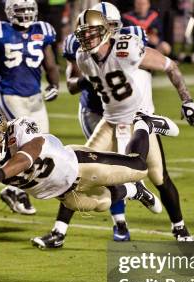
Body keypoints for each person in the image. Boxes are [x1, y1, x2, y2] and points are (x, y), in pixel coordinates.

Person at [33, 9, 194, 248]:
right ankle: (59, 232)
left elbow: (169, 65)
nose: (88, 38)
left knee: (159, 177)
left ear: (106, 30)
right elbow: (74, 84)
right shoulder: (83, 57)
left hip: (139, 120)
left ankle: (180, 229)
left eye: (93, 33)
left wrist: (187, 100)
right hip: (110, 122)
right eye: (84, 34)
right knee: (75, 173)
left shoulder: (127, 47)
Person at [0, 107, 166, 236]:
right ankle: (134, 191)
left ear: (2, 134)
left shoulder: (20, 128)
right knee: (103, 203)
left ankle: (143, 123)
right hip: (61, 192)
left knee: (139, 166)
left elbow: (27, 156)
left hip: (80, 166)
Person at [62, 2, 157, 242]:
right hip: (94, 111)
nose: (106, 33)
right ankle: (64, 229)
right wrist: (91, 78)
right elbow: (72, 85)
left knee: (117, 168)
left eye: (113, 26)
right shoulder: (79, 47)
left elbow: (148, 68)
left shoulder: (128, 42)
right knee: (90, 169)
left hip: (124, 114)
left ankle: (124, 216)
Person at [0, 0, 60, 215]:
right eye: (21, 11)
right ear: (11, 12)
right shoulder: (0, 32)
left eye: (29, 10)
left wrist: (55, 84)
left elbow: (50, 64)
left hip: (34, 97)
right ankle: (15, 191)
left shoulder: (43, 30)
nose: (26, 15)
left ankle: (16, 189)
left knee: (43, 143)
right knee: (20, 144)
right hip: (9, 94)